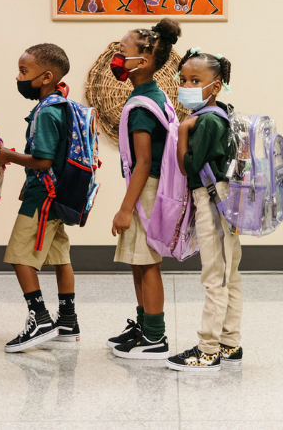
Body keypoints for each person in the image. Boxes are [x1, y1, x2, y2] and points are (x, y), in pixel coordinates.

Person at [0, 43, 80, 353]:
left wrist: (7, 155)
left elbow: (42, 160)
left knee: (19, 255)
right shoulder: (63, 105)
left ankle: (40, 318)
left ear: (45, 77)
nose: (18, 77)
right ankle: (68, 320)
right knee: (59, 256)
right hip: (59, 195)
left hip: (42, 197)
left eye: (23, 71)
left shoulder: (46, 112)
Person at [109, 18, 181, 359]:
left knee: (147, 263)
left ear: (145, 60)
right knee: (140, 261)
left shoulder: (141, 107)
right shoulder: (154, 95)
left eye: (123, 51)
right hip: (149, 189)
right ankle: (143, 326)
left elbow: (141, 163)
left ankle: (155, 337)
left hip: (146, 192)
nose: (117, 56)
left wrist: (125, 209)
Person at [167, 49, 242, 372]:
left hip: (212, 201)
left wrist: (183, 132)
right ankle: (230, 341)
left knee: (215, 276)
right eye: (183, 79)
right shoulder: (220, 113)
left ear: (216, 85)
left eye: (196, 80)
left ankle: (208, 349)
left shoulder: (206, 121)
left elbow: (188, 166)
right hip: (223, 198)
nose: (187, 85)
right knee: (229, 275)